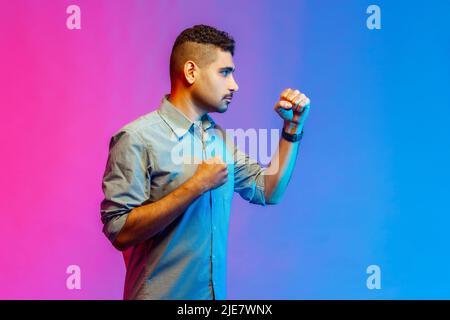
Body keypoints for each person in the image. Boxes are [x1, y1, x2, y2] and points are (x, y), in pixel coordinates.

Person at [100, 24, 311, 300]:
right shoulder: (136, 138)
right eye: (225, 72)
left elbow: (268, 190)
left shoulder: (219, 139)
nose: (234, 84)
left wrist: (292, 129)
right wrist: (196, 185)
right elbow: (120, 232)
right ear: (191, 72)